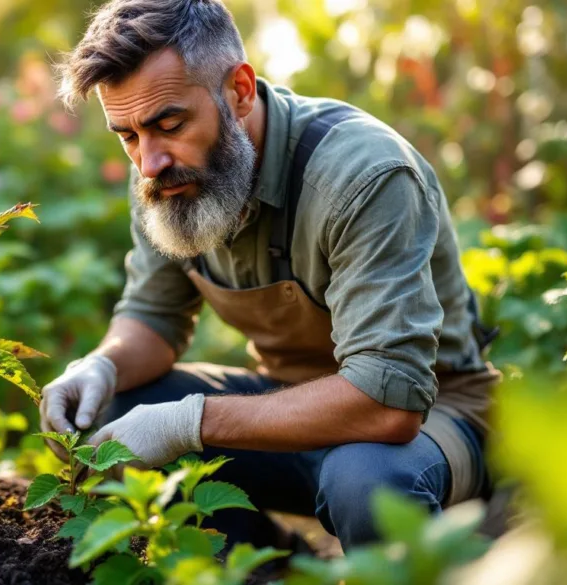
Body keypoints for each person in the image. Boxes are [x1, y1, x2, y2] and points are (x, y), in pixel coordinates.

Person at [38, 0, 501, 552]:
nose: (149, 162)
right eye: (128, 136)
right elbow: (153, 318)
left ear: (238, 90)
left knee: (368, 483)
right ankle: (267, 562)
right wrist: (101, 366)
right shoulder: (167, 175)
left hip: (431, 419)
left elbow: (390, 401)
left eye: (169, 123)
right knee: (109, 416)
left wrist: (188, 423)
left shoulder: (364, 175)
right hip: (291, 410)